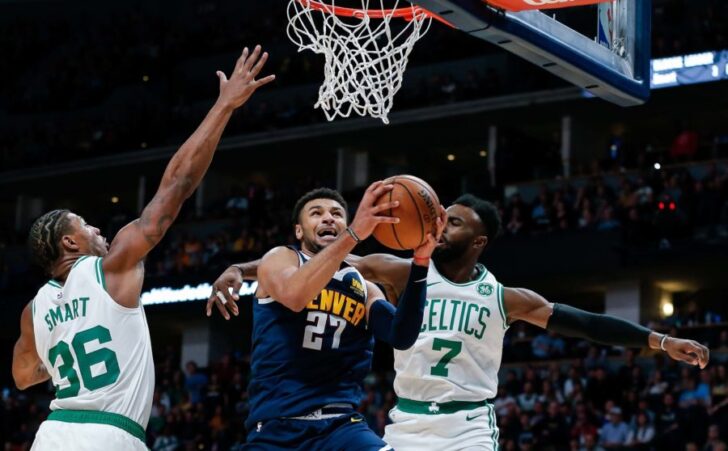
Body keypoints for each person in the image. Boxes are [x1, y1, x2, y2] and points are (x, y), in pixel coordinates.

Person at [210, 193, 710, 450]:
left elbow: (585, 324)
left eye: (453, 221)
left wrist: (660, 341)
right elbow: (316, 261)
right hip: (405, 422)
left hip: (468, 424)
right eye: (441, 215)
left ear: (478, 241)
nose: (440, 223)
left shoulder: (505, 298)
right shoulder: (395, 270)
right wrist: (242, 268)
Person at [11, 46, 275, 451]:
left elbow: (24, 375)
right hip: (109, 436)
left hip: (52, 434)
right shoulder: (110, 268)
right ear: (69, 242)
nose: (97, 229)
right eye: (85, 225)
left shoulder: (34, 309)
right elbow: (176, 187)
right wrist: (224, 106)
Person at [213, 185, 444, 450]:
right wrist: (353, 233)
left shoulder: (364, 287)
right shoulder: (281, 259)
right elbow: (295, 295)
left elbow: (401, 336)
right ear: (299, 230)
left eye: (336, 213)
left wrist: (422, 260)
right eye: (316, 213)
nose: (328, 217)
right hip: (277, 428)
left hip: (341, 427)